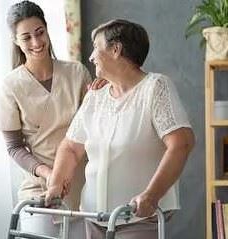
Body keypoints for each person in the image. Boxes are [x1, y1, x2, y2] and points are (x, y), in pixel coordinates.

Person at [45, 19, 195, 239]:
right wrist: (56, 183)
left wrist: (151, 196)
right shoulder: (95, 96)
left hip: (138, 217)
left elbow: (182, 143)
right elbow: (71, 146)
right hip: (93, 216)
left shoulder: (155, 88)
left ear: (115, 50)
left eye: (96, 47)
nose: (91, 56)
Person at [0, 1, 105, 238]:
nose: (36, 43)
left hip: (81, 191)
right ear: (15, 41)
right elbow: (14, 147)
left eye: (40, 33)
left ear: (47, 29)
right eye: (26, 38)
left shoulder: (76, 73)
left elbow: (96, 126)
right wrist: (48, 173)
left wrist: (103, 93)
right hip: (39, 192)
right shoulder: (11, 86)